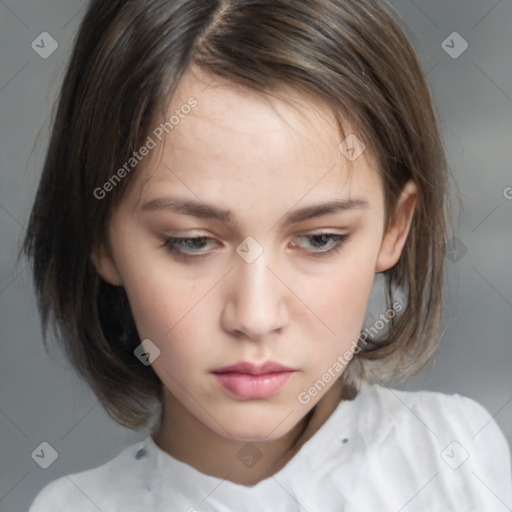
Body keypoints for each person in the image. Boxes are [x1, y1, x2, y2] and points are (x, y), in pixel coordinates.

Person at [25, 0, 511, 510]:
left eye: (320, 239)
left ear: (395, 226)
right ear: (100, 235)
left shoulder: (454, 462)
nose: (256, 318)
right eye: (192, 242)